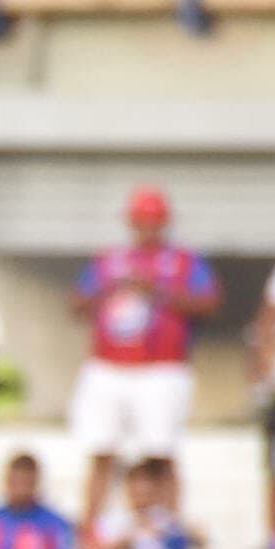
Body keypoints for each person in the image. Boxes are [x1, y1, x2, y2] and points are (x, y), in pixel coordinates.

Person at [68, 185, 214, 521]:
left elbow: (209, 303)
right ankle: (93, 526)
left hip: (161, 366)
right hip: (109, 364)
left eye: (154, 221)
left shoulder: (183, 261)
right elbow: (77, 303)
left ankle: (165, 527)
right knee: (101, 449)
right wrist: (110, 290)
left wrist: (158, 292)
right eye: (141, 221)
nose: (147, 228)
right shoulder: (109, 260)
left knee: (161, 452)